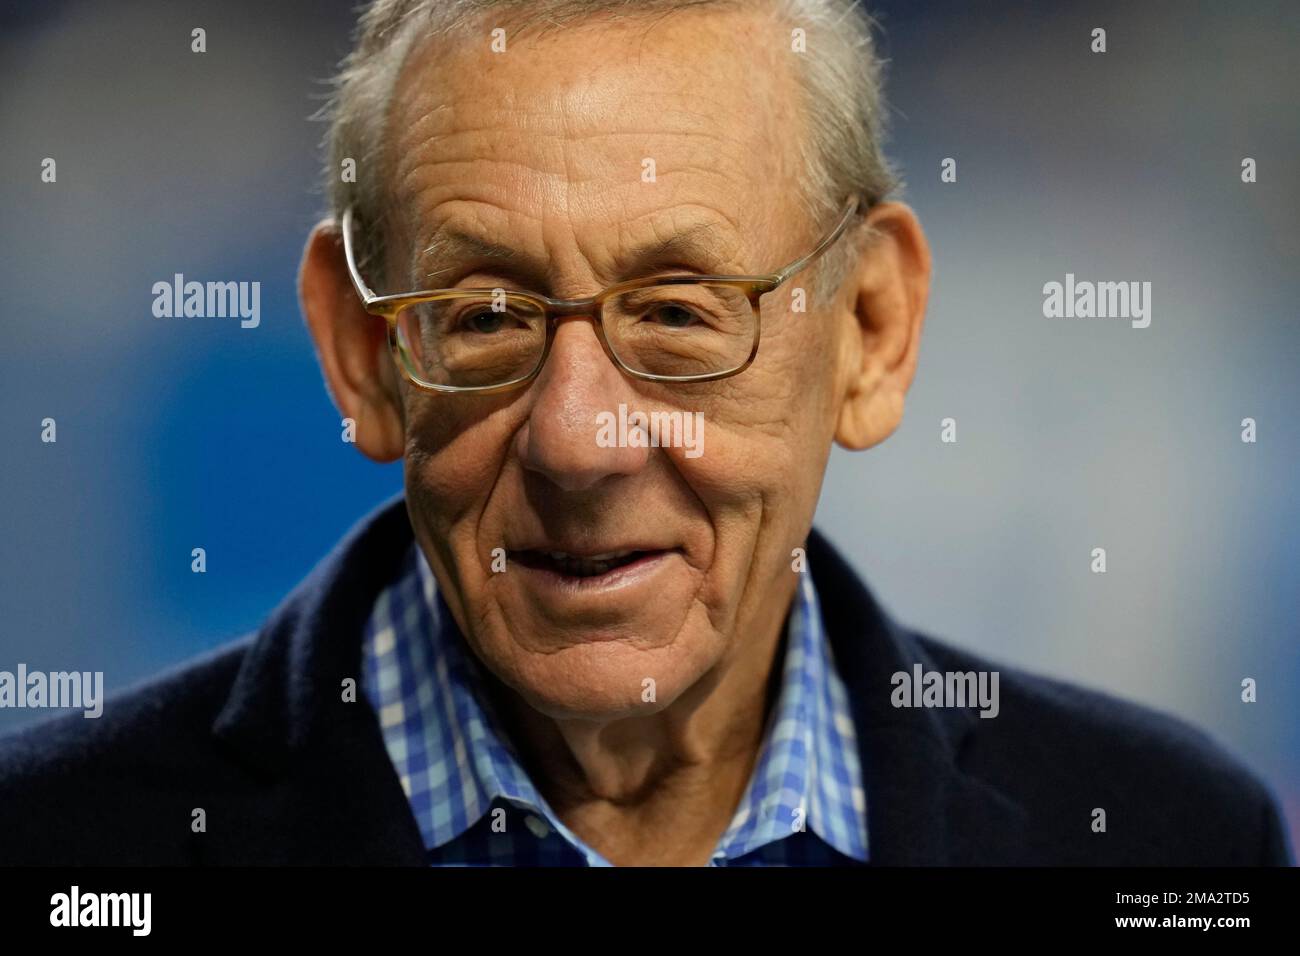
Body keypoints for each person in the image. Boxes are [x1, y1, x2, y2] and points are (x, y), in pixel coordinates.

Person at [0, 0, 1289, 866]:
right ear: (362, 351)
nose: (580, 439)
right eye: (488, 315)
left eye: (680, 313)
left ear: (873, 333)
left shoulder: (1166, 843)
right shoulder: (64, 849)